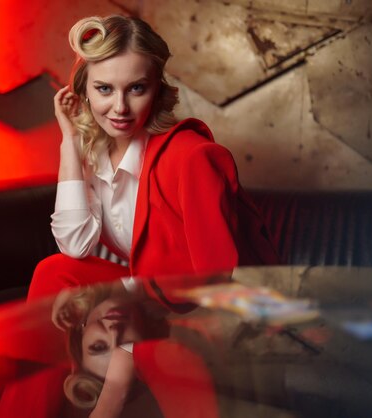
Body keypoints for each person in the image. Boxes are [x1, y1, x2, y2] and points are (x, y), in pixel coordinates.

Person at [28, 14, 278, 303]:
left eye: (136, 88)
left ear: (156, 90)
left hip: (196, 311)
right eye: (105, 89)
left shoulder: (192, 157)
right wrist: (70, 141)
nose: (120, 108)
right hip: (150, 296)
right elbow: (74, 246)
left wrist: (132, 340)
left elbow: (217, 284)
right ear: (84, 91)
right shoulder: (95, 153)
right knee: (55, 272)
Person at [57, 284, 219, 418]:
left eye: (98, 346)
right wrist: (112, 397)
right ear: (149, 336)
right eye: (128, 343)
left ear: (81, 333)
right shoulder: (180, 294)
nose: (114, 332)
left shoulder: (64, 280)